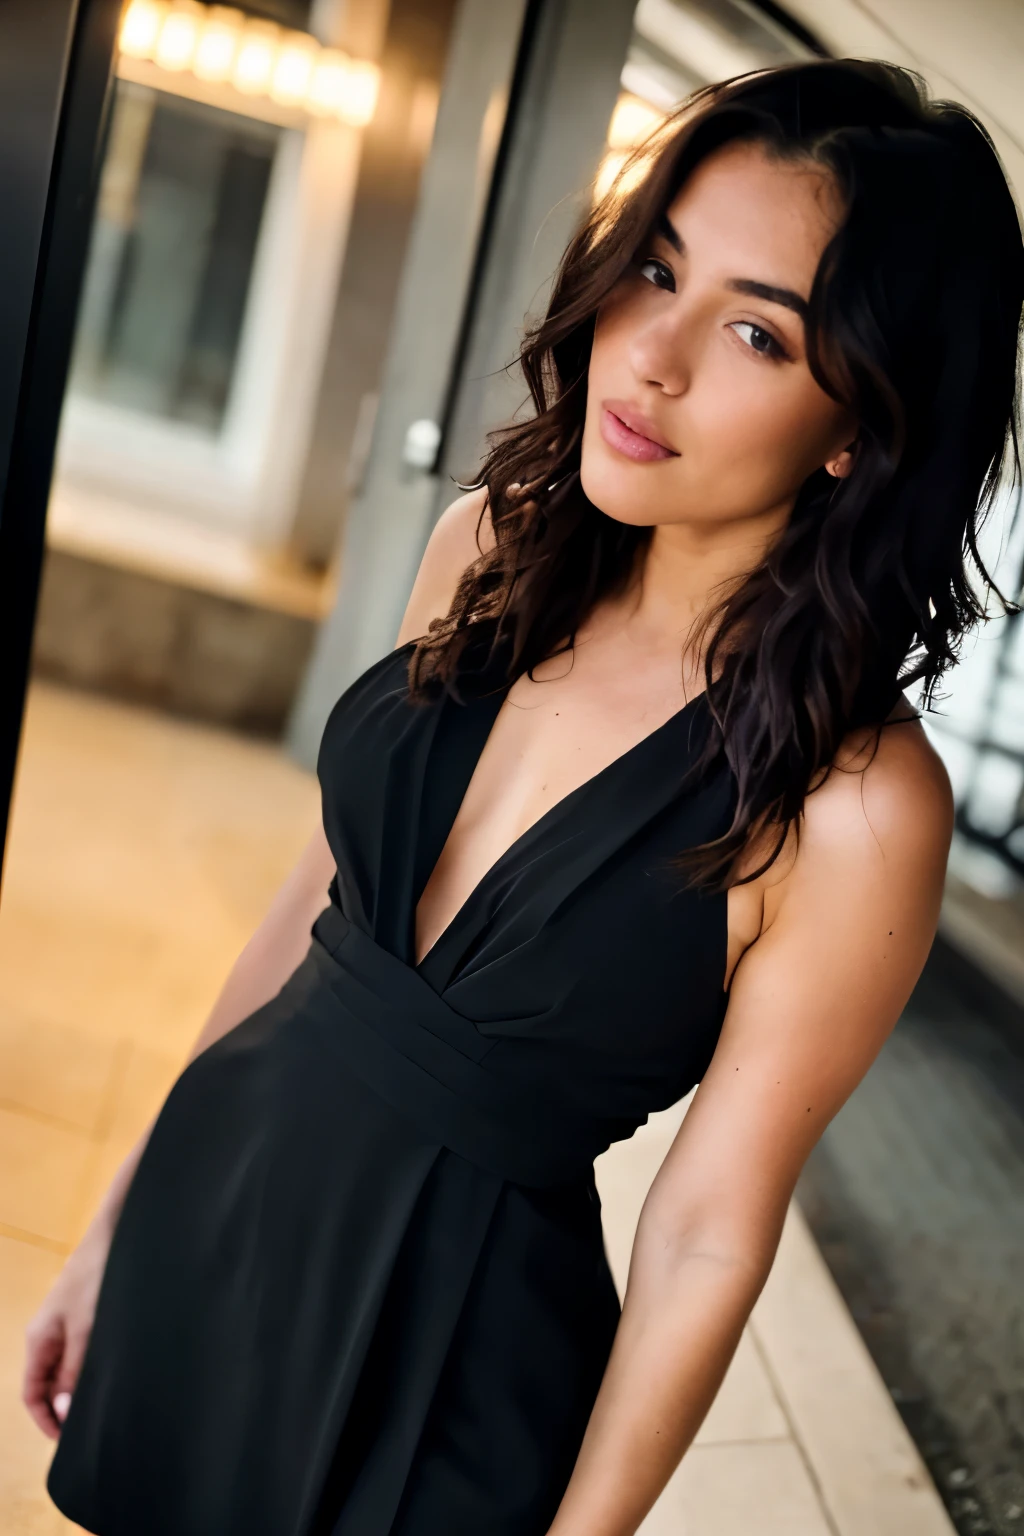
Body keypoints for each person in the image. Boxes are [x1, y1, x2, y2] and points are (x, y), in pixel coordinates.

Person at [26, 57, 1023, 1536]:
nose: (653, 356)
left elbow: (706, 1230)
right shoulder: (483, 550)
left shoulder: (854, 804)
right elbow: (306, 917)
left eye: (755, 330)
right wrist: (121, 1213)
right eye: (657, 271)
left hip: (448, 1361)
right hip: (212, 1215)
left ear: (860, 426)